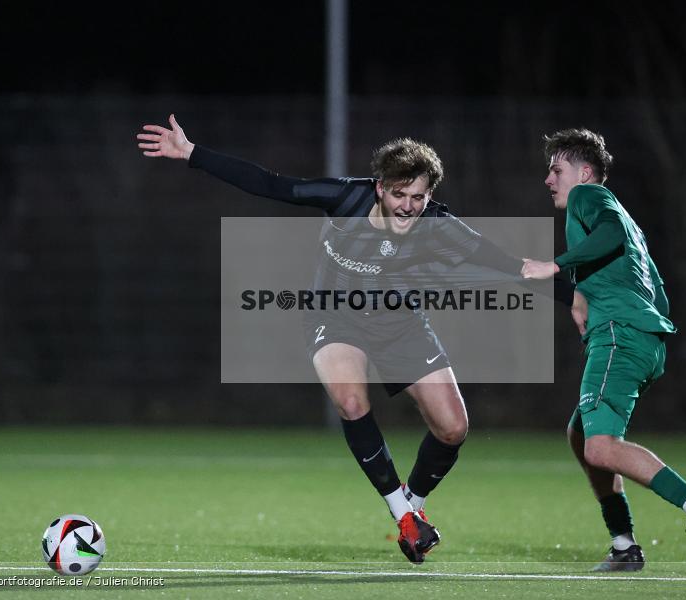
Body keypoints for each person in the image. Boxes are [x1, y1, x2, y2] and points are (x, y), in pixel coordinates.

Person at [138, 115, 580, 563]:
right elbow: (271, 184)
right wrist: (193, 153)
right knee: (351, 401)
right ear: (380, 188)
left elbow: (513, 267)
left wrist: (580, 300)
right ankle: (403, 515)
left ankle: (413, 505)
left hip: (400, 323)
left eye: (419, 197)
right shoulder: (345, 197)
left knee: (453, 428)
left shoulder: (439, 225)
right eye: (399, 194)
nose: (408, 207)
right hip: (334, 317)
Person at [522, 128, 686, 572]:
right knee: (581, 435)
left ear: (585, 173)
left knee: (599, 448)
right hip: (641, 338)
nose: (548, 180)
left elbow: (609, 233)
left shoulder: (588, 196)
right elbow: (656, 289)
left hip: (620, 336)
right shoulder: (631, 223)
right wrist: (585, 296)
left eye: (556, 170)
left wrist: (554, 265)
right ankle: (623, 544)